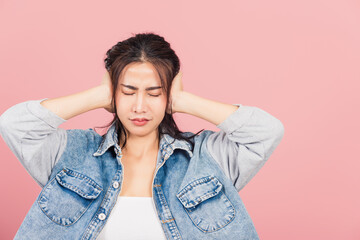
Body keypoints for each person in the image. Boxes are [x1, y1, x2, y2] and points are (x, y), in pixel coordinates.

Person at [0, 32, 284, 240]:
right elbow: (14, 125)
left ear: (169, 94)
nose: (139, 107)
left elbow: (267, 131)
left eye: (154, 92)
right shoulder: (71, 151)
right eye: (128, 91)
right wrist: (98, 95)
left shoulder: (209, 156)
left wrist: (184, 100)